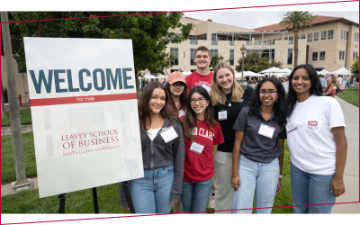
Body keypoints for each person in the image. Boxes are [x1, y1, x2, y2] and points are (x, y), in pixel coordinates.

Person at [286, 64, 347, 215]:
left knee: (319, 212)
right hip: (298, 169)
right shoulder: (289, 107)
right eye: (296, 78)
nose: (299, 81)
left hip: (323, 172)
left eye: (305, 78)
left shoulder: (328, 103)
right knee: (299, 210)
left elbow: (341, 142)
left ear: (313, 81)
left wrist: (338, 177)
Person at [118, 81, 185, 215]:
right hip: (139, 180)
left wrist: (176, 190)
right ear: (146, 97)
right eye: (154, 97)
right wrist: (123, 195)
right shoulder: (131, 123)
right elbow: (123, 159)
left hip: (167, 178)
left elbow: (179, 157)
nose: (159, 102)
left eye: (163, 98)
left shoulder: (173, 123)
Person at [231, 77, 287, 215]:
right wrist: (234, 174)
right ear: (258, 93)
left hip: (270, 167)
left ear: (278, 94)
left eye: (271, 91)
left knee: (265, 208)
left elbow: (281, 148)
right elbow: (237, 143)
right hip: (246, 165)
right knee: (241, 209)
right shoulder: (246, 112)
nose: (266, 95)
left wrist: (279, 176)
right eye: (263, 91)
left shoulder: (281, 117)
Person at [210, 63, 254, 215]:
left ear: (233, 75)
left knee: (244, 193)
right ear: (216, 80)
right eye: (220, 77)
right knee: (224, 193)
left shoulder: (248, 92)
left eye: (227, 75)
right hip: (224, 153)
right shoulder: (213, 99)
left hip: (247, 152)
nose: (225, 79)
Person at [180, 86, 224, 215]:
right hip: (185, 177)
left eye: (200, 99)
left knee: (199, 212)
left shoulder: (215, 126)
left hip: (204, 179)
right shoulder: (182, 122)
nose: (197, 103)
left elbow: (212, 151)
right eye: (193, 100)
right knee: (187, 211)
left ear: (207, 101)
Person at [164, 71, 188, 213]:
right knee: (175, 181)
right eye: (174, 84)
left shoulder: (188, 103)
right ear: (169, 85)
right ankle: (177, 211)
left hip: (189, 145)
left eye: (181, 84)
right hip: (170, 147)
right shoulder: (164, 103)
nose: (178, 87)